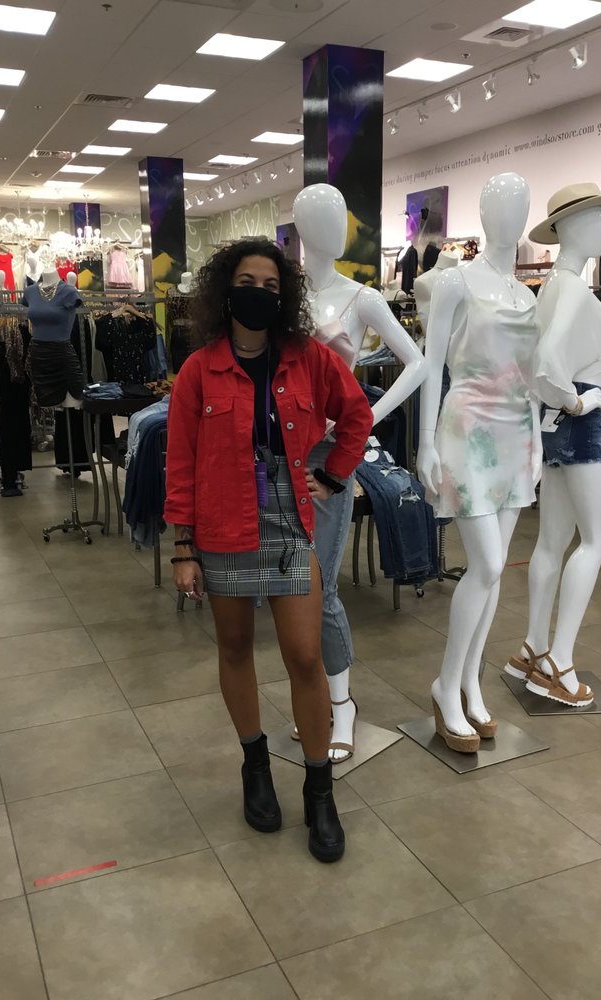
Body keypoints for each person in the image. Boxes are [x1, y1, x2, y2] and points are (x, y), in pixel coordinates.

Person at [165, 238, 373, 863]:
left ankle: (319, 789)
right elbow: (181, 464)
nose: (259, 294)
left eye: (272, 286)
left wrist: (334, 473)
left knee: (305, 656)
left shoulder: (308, 359)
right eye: (248, 283)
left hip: (289, 518)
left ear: (285, 298)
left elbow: (357, 415)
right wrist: (183, 547)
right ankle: (255, 765)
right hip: (221, 521)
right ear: (225, 292)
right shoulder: (198, 370)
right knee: (234, 648)